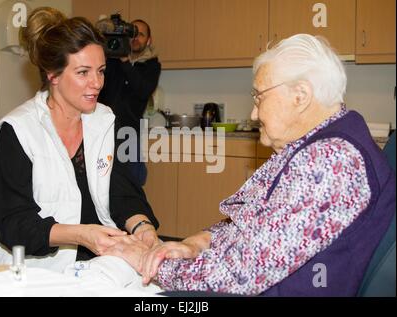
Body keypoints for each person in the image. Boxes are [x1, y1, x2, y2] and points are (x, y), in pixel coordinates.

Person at [103, 34, 396, 296]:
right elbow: (254, 222)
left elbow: (243, 273)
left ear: (301, 96)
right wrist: (200, 242)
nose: (254, 114)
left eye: (259, 96)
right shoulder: (319, 145)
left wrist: (147, 261)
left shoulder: (330, 161)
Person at [0, 7, 159, 273]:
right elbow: (14, 224)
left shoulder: (104, 121)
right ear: (52, 75)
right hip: (35, 271)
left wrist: (143, 228)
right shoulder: (18, 130)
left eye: (101, 71)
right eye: (83, 72)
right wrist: (81, 234)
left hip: (97, 265)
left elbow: (122, 191)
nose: (97, 83)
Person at [98, 19, 161, 186]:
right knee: (105, 177)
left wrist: (126, 62)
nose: (135, 38)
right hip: (104, 128)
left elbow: (142, 91)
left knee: (134, 178)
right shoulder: (111, 61)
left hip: (129, 130)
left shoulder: (152, 65)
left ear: (149, 40)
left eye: (141, 34)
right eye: (132, 34)